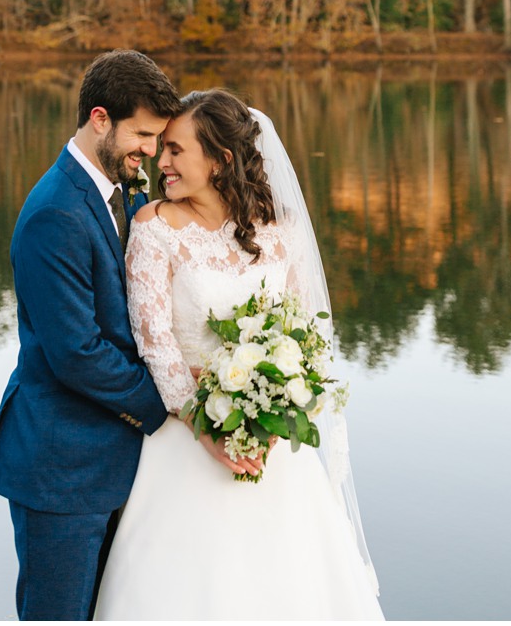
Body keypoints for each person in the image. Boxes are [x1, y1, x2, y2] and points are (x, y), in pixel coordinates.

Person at [94, 89, 381, 619]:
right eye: (162, 149)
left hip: (274, 450)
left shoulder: (279, 230)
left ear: (221, 159)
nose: (162, 161)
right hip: (185, 441)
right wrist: (210, 433)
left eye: (177, 150)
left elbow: (303, 339)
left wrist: (272, 417)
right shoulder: (153, 228)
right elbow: (155, 345)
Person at [0, 49, 185, 620]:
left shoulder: (124, 192)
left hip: (119, 464)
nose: (150, 150)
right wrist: (173, 404)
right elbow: (77, 352)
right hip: (62, 470)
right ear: (100, 119)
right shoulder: (55, 213)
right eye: (142, 134)